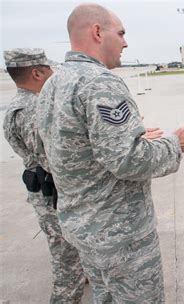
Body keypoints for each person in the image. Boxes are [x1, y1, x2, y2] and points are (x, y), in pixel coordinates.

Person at [36, 4, 184, 302]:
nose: (126, 42)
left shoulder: (52, 84)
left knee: (106, 297)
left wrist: (132, 137)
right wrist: (174, 144)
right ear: (97, 32)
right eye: (121, 33)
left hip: (83, 230)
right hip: (120, 236)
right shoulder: (100, 82)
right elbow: (130, 160)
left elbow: (59, 150)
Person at [3, 48, 85, 303]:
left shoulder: (26, 105)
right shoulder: (30, 110)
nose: (54, 74)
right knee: (66, 259)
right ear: (37, 72)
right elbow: (50, 160)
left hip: (50, 189)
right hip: (51, 194)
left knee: (73, 251)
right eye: (49, 70)